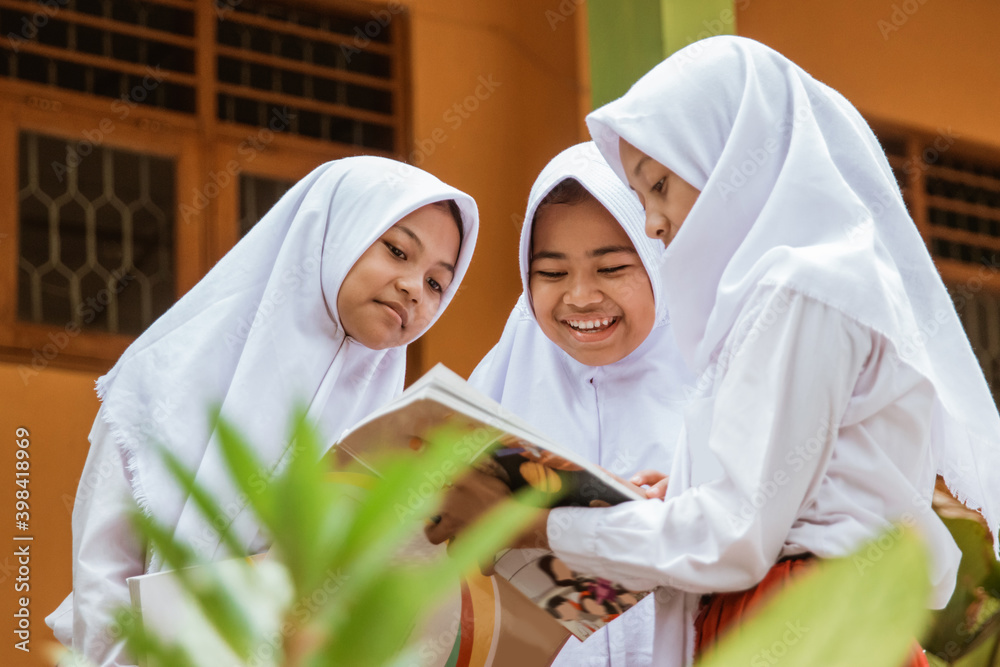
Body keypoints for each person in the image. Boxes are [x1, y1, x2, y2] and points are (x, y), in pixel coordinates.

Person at [432, 36, 1000, 667]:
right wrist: (679, 494)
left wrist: (533, 523)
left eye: (659, 186)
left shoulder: (804, 289)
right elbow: (784, 497)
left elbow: (737, 535)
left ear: (732, 162)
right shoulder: (794, 290)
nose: (651, 222)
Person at [45, 156, 480, 667]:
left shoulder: (396, 432)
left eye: (436, 283)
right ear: (330, 231)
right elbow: (104, 575)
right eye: (397, 250)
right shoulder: (168, 376)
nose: (413, 288)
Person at [466, 142, 695, 665]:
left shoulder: (720, 380)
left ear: (658, 258)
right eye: (551, 273)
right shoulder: (504, 377)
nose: (581, 296)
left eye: (612, 268)